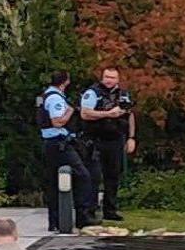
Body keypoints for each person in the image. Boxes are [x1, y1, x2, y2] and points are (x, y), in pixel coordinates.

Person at [38, 70, 97, 230]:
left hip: (51, 143)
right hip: (59, 144)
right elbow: (57, 122)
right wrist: (71, 110)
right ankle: (83, 217)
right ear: (65, 82)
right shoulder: (56, 98)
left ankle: (55, 222)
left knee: (53, 182)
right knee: (83, 176)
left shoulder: (45, 96)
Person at [80, 66, 135, 221]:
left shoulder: (123, 95)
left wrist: (131, 137)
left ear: (118, 79)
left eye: (112, 78)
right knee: (94, 177)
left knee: (113, 176)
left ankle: (110, 210)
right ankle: (89, 211)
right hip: (95, 140)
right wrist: (107, 114)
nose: (109, 80)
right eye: (107, 77)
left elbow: (130, 115)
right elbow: (85, 113)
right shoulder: (93, 93)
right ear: (102, 78)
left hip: (115, 140)